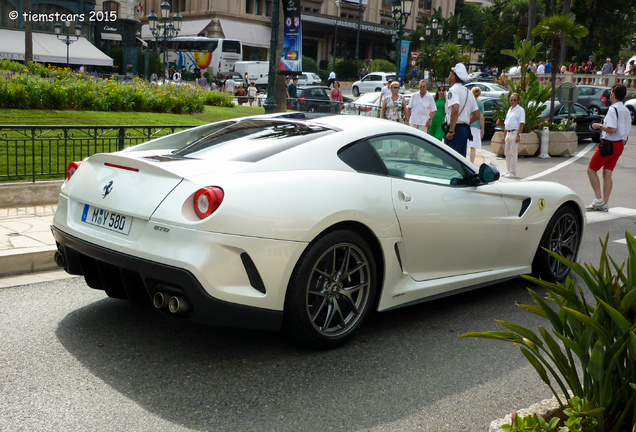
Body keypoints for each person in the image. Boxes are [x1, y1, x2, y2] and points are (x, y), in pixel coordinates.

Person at [586, 84, 631, 212]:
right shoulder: (625, 110)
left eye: (611, 92)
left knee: (591, 170)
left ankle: (599, 200)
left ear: (613, 94)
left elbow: (612, 129)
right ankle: (604, 202)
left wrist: (598, 126)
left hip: (609, 144)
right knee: (607, 173)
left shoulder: (613, 109)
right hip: (620, 144)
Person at [444, 62, 480, 157]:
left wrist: (451, 129)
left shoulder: (453, 90)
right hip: (464, 129)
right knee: (460, 160)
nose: (450, 74)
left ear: (454, 76)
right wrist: (466, 122)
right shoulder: (469, 92)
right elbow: (477, 115)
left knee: (450, 160)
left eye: (452, 72)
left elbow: (455, 109)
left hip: (454, 130)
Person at [502, 93, 525, 178]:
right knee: (507, 152)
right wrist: (504, 136)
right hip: (508, 132)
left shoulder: (520, 110)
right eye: (511, 100)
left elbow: (521, 123)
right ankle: (508, 171)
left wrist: (519, 135)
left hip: (515, 133)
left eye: (514, 100)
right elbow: (506, 123)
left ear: (518, 101)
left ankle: (513, 172)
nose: (512, 101)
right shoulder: (510, 109)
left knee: (513, 153)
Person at [467, 87, 485, 164]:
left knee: (465, 145)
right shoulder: (480, 104)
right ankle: (471, 163)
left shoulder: (468, 103)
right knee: (473, 148)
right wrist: (482, 128)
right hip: (476, 126)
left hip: (468, 124)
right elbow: (481, 117)